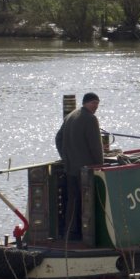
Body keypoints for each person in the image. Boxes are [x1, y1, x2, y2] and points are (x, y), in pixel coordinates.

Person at [54, 92, 104, 240]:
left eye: (97, 104)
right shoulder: (90, 119)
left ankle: (70, 231)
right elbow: (96, 145)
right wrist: (100, 165)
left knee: (72, 199)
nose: (96, 107)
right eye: (94, 103)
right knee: (86, 200)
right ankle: (85, 233)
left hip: (70, 168)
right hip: (85, 170)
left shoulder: (70, 116)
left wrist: (65, 157)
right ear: (86, 103)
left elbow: (58, 138)